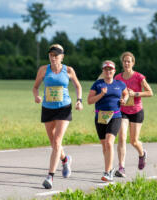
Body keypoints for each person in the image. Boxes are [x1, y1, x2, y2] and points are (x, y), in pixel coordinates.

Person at [32, 44, 83, 189]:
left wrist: (79, 101)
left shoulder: (68, 70)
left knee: (57, 141)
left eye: (56, 55)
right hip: (48, 108)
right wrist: (36, 96)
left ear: (62, 56)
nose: (53, 58)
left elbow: (78, 86)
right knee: (53, 143)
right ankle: (65, 159)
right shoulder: (43, 69)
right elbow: (35, 87)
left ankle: (50, 177)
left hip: (64, 108)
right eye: (51, 55)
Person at [87, 60, 128, 182]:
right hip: (101, 117)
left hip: (115, 116)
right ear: (103, 71)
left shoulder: (119, 84)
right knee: (105, 146)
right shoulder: (97, 84)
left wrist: (124, 100)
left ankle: (108, 172)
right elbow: (89, 101)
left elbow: (126, 94)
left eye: (110, 69)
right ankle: (110, 167)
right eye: (106, 69)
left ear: (114, 71)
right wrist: (101, 94)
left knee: (110, 142)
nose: (108, 71)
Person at [114, 51, 153, 177]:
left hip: (136, 111)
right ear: (122, 63)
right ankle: (121, 167)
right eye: (124, 61)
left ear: (133, 63)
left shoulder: (139, 77)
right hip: (123, 111)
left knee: (134, 141)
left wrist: (135, 94)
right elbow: (114, 92)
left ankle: (142, 154)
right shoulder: (118, 78)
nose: (126, 63)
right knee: (121, 137)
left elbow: (150, 92)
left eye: (128, 61)